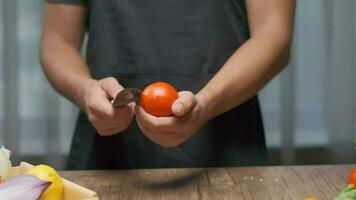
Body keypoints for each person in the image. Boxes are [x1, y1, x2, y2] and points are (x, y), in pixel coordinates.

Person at [41, 0, 295, 169]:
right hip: (107, 150)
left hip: (227, 144)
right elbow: (57, 40)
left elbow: (274, 34)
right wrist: (85, 90)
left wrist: (206, 104)